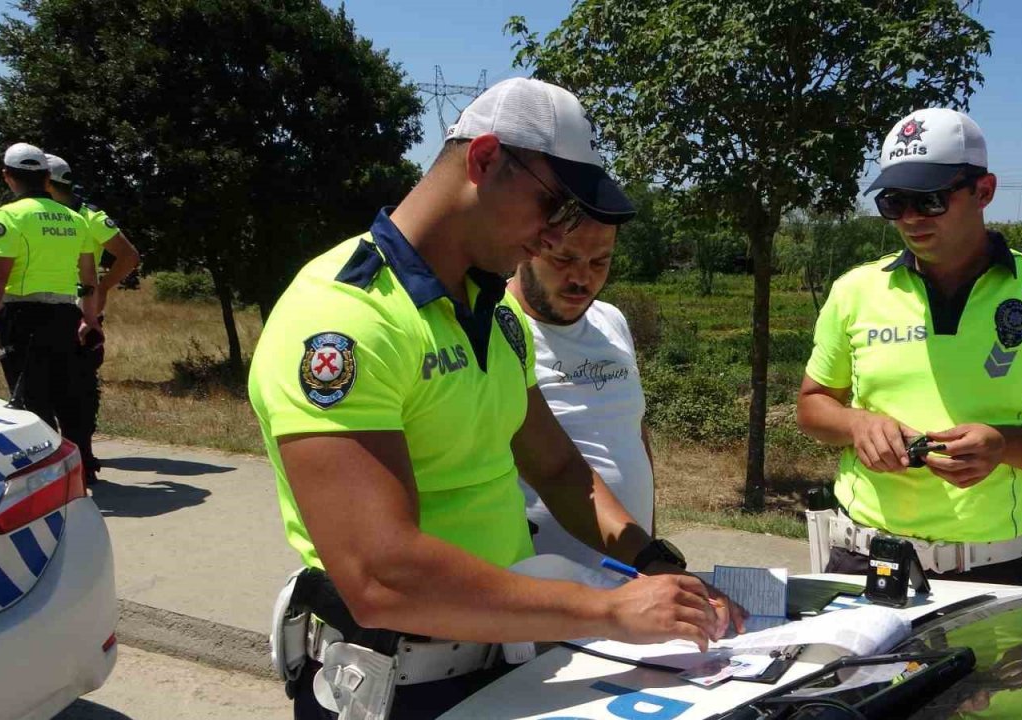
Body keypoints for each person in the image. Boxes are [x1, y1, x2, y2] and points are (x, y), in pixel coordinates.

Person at [247, 78, 743, 719]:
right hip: (393, 688)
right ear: (483, 160)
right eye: (552, 207)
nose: (549, 239)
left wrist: (652, 562)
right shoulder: (343, 319)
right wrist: (610, 610)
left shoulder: (494, 318)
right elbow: (380, 575)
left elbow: (560, 470)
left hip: (509, 667)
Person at [796, 108, 1022, 587]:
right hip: (863, 561)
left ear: (984, 191)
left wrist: (1004, 445)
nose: (910, 218)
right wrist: (858, 423)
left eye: (928, 200)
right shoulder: (856, 291)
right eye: (894, 201)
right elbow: (812, 406)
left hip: (995, 570)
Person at [508, 218, 655, 568]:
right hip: (541, 584)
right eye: (564, 259)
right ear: (527, 245)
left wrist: (650, 550)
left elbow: (634, 431)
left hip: (630, 574)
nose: (581, 279)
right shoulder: (494, 326)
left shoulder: (612, 320)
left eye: (599, 262)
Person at [0, 143, 101, 441]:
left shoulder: (8, 215)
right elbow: (89, 277)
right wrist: (89, 319)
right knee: (67, 395)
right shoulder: (75, 218)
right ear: (45, 178)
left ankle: (46, 471)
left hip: (22, 318)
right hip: (67, 315)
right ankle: (81, 465)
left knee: (30, 400)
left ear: (7, 176)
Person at [46, 153, 142, 482]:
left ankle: (80, 458)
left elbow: (129, 256)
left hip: (78, 309)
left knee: (78, 388)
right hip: (58, 307)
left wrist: (101, 288)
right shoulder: (56, 215)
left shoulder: (89, 216)